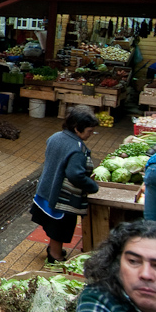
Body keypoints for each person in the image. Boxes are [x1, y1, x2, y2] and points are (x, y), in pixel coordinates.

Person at [29, 105, 101, 263]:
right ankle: (55, 256)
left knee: (52, 223)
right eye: (89, 131)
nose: (90, 135)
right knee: (59, 227)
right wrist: (92, 186)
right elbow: (75, 174)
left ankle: (53, 250)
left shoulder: (55, 137)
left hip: (45, 189)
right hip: (60, 196)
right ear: (77, 128)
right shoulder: (77, 149)